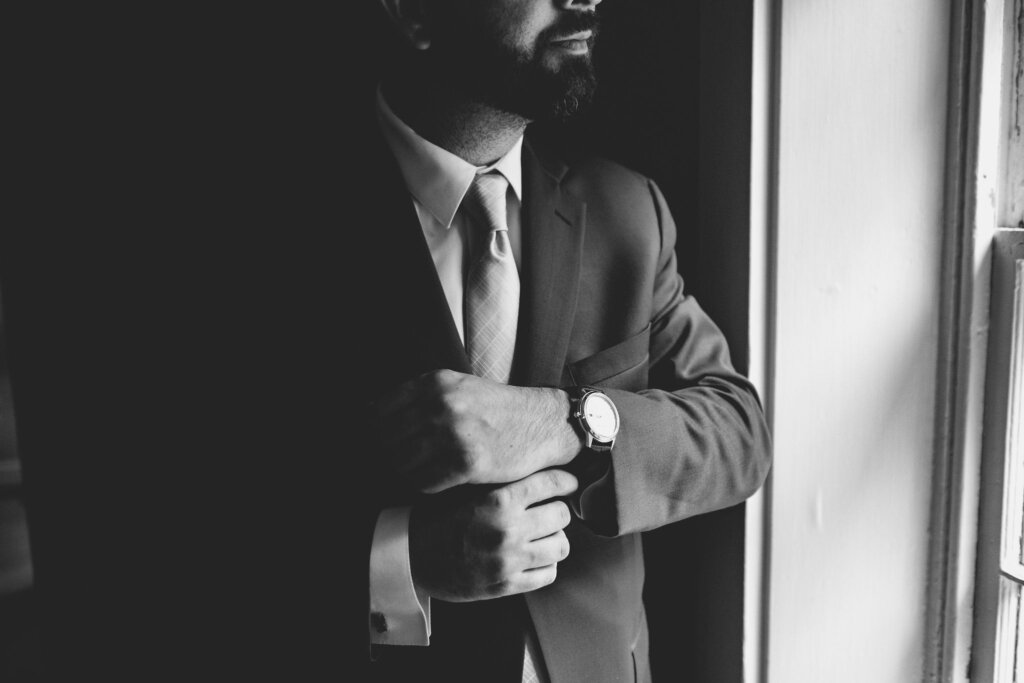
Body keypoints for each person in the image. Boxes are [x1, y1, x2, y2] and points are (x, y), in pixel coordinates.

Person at [361, 0, 773, 681]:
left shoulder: (627, 211)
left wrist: (565, 422)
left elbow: (740, 432)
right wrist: (404, 560)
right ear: (413, 11)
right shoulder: (263, 227)